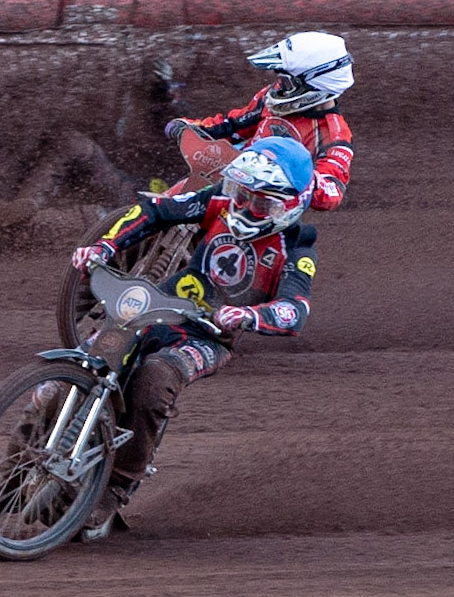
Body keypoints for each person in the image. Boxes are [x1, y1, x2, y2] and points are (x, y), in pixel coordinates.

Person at [69, 136, 319, 540]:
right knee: (78, 363)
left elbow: (295, 310)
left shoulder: (297, 248)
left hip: (209, 335)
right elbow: (156, 210)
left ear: (288, 205)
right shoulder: (218, 200)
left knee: (153, 381)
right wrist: (104, 245)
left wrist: (249, 315)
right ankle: (16, 462)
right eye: (241, 193)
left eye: (260, 202)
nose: (243, 206)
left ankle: (115, 488)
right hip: (157, 305)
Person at [162, 31, 354, 211]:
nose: (279, 87)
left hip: (265, 209)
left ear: (317, 86)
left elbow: (332, 190)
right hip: (225, 179)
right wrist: (189, 127)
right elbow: (233, 125)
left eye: (287, 82)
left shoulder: (334, 134)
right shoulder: (271, 99)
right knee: (161, 206)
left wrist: (290, 177)